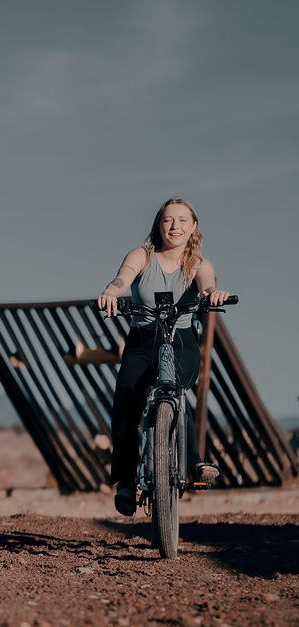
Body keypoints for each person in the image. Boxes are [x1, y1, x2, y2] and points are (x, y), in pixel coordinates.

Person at [96, 198, 230, 517]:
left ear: (194, 226)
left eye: (183, 220)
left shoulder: (198, 263)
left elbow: (208, 287)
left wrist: (214, 296)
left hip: (181, 340)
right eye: (169, 220)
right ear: (159, 224)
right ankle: (127, 483)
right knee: (125, 409)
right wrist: (111, 293)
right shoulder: (142, 256)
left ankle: (194, 462)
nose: (176, 226)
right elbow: (122, 278)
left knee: (176, 395)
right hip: (143, 340)